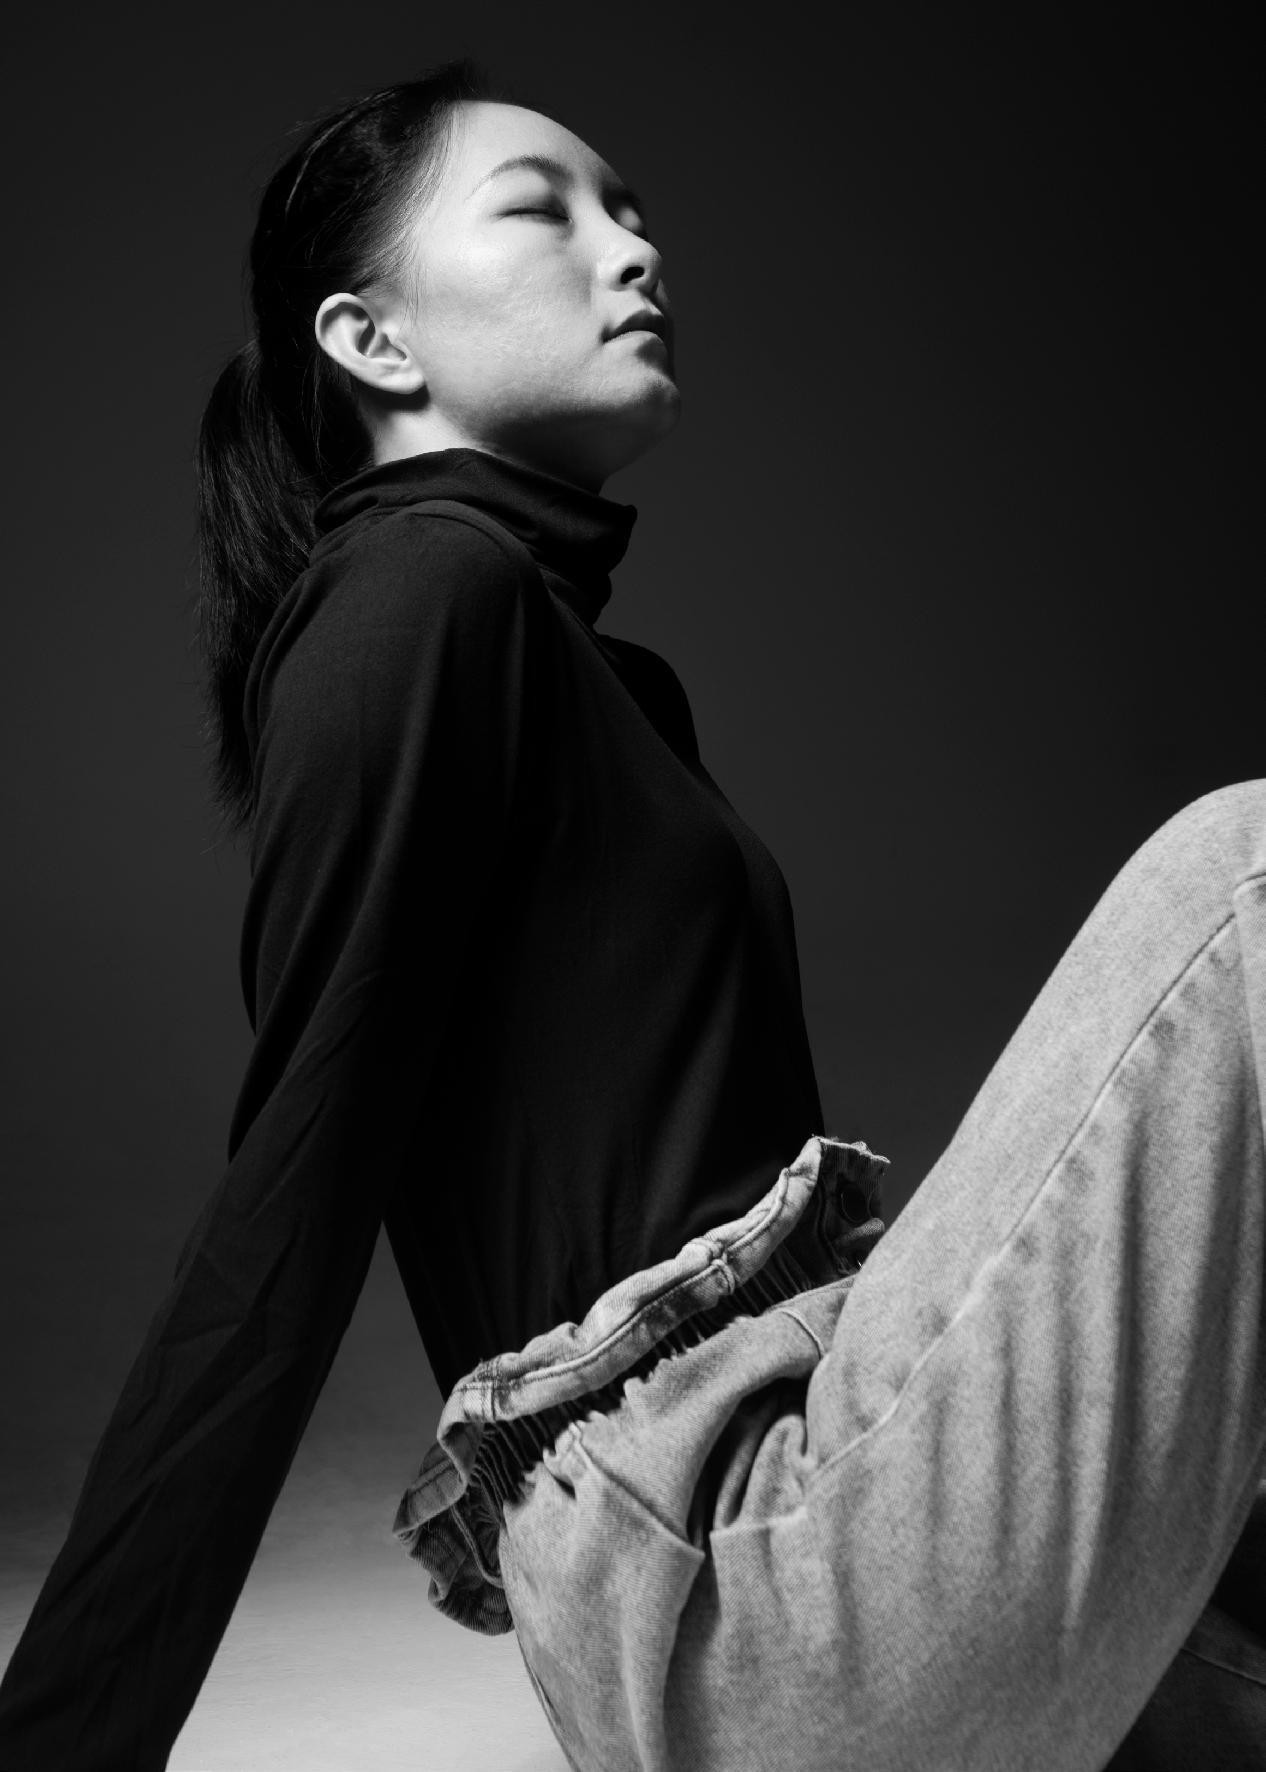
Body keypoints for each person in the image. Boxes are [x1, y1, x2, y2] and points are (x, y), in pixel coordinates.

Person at [0, 54, 1262, 1772]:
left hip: (838, 1510)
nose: (632, 249)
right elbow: (279, 1222)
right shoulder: (414, 600)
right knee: (1242, 873)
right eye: (543, 212)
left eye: (632, 212)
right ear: (370, 340)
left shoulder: (595, 677)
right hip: (747, 1586)